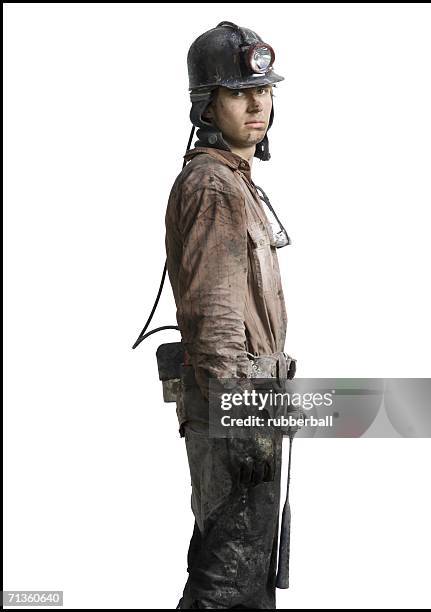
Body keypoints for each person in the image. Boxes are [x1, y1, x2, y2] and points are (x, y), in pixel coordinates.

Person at [165, 21, 294, 609]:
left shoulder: (235, 183)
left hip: (253, 403)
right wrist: (241, 419)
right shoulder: (214, 187)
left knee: (245, 579)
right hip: (237, 408)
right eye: (240, 92)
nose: (257, 102)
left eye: (262, 90)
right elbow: (215, 319)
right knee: (227, 584)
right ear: (206, 104)